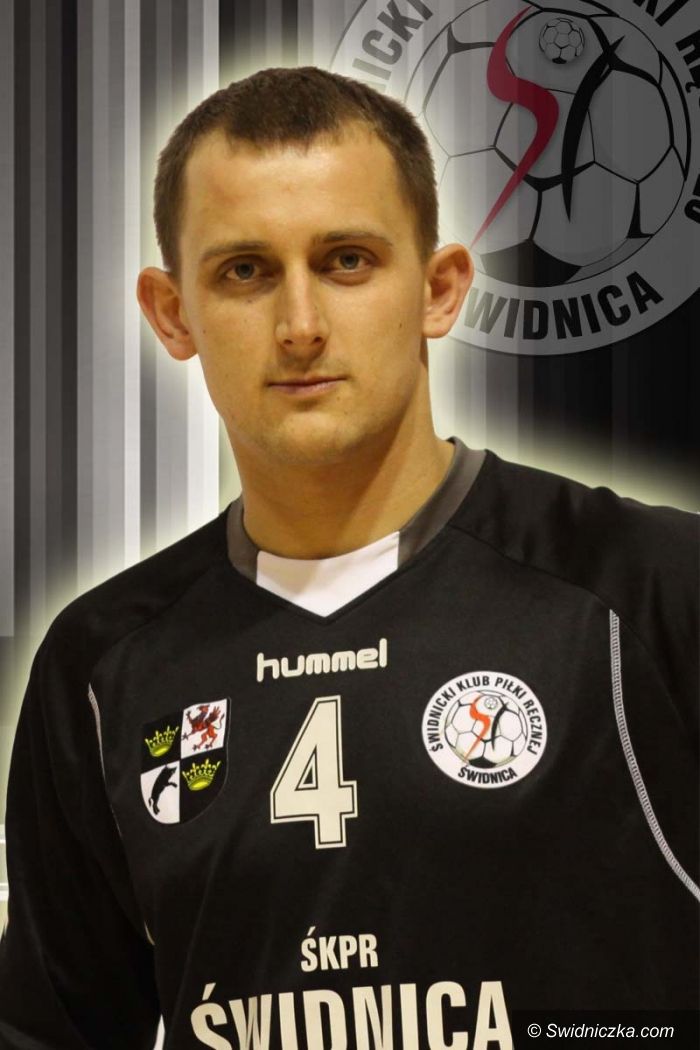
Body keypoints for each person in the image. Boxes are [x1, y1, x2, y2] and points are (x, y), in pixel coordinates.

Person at [0, 66, 697, 1050]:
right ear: (172, 312)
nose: (300, 326)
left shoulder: (650, 589)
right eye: (245, 271)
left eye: (347, 260)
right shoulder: (100, 663)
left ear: (438, 289)